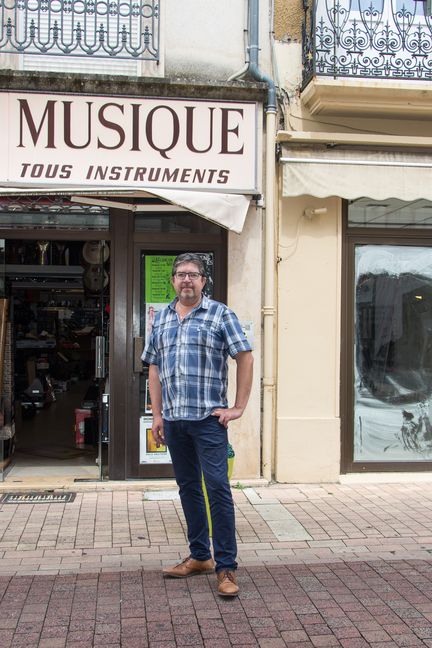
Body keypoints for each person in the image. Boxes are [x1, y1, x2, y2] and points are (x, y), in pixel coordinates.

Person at [142, 252, 253, 597]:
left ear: (203, 281)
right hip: (174, 421)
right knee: (188, 488)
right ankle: (200, 556)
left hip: (208, 420)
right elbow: (154, 369)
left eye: (193, 274)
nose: (186, 279)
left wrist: (238, 407)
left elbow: (245, 356)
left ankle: (226, 567)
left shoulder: (220, 314)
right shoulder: (161, 319)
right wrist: (157, 415)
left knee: (217, 489)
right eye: (181, 274)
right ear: (173, 281)